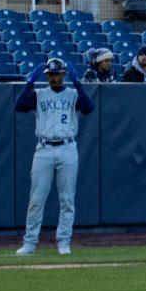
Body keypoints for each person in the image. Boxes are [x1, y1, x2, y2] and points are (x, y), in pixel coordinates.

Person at [14, 58, 95, 255]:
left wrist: (78, 83)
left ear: (63, 74)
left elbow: (89, 107)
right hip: (44, 148)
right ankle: (30, 243)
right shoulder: (39, 94)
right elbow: (19, 106)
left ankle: (64, 242)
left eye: (57, 74)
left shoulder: (73, 94)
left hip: (67, 147)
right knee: (36, 198)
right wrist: (29, 83)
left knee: (67, 199)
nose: (54, 78)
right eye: (50, 75)